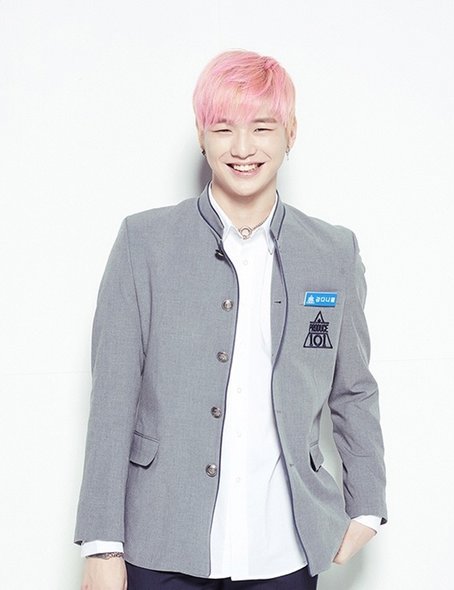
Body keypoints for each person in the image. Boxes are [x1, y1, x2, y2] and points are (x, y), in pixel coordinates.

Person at [75, 49, 387, 590]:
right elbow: (112, 397)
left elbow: (353, 388)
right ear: (202, 136)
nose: (242, 148)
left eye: (262, 127)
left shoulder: (333, 251)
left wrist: (368, 506)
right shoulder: (143, 243)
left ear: (290, 132)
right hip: (159, 541)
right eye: (223, 128)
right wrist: (102, 544)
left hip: (286, 549)